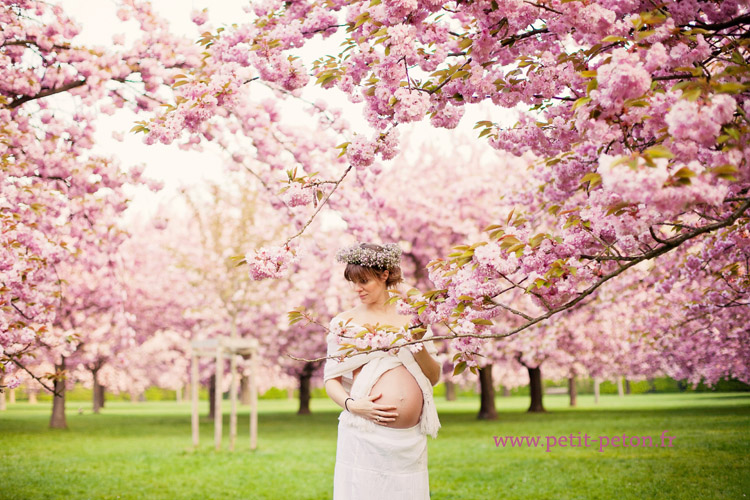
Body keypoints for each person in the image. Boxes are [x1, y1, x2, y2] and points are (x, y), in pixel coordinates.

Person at [324, 242, 441, 500]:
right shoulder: (345, 323)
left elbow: (433, 378)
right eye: (353, 282)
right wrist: (352, 405)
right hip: (365, 433)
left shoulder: (412, 316)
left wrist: (417, 343)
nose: (357, 289)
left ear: (384, 274)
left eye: (364, 281)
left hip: (409, 441)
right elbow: (330, 380)